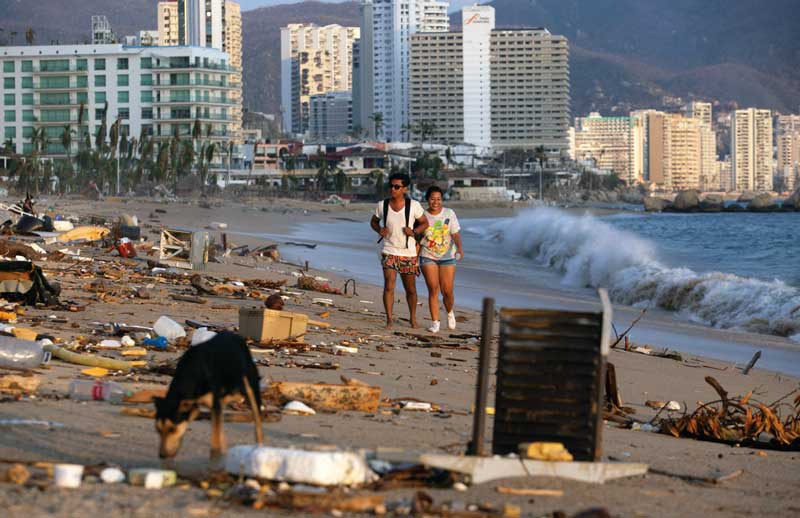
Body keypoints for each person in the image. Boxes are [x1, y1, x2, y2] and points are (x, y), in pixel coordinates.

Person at [370, 173, 428, 329]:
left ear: (405, 189)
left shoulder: (414, 206)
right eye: (391, 186)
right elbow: (373, 222)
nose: (393, 189)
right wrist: (379, 230)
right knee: (389, 285)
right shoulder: (382, 205)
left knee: (411, 289)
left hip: (408, 253)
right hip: (389, 250)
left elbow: (424, 223)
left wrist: (414, 231)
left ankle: (412, 319)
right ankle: (389, 319)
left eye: (397, 186)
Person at [419, 186, 464, 333]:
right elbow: (417, 236)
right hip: (427, 255)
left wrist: (459, 248)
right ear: (427, 200)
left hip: (447, 256)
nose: (435, 202)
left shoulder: (449, 213)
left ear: (442, 200)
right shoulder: (421, 215)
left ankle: (449, 312)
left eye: (438, 199)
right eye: (432, 198)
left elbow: (455, 234)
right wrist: (413, 257)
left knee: (447, 291)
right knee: (433, 289)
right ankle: (435, 323)